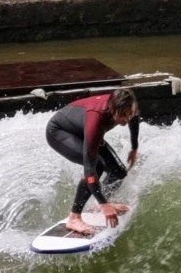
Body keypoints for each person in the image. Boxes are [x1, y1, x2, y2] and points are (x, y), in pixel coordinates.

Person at [45, 88, 140, 235]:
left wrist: (134, 147)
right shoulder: (96, 118)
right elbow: (89, 169)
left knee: (119, 172)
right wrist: (105, 205)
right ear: (112, 109)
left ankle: (99, 202)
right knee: (97, 165)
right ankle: (74, 217)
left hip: (83, 130)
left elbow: (134, 119)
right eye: (123, 116)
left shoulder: (129, 105)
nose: (127, 119)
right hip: (60, 132)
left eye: (130, 114)